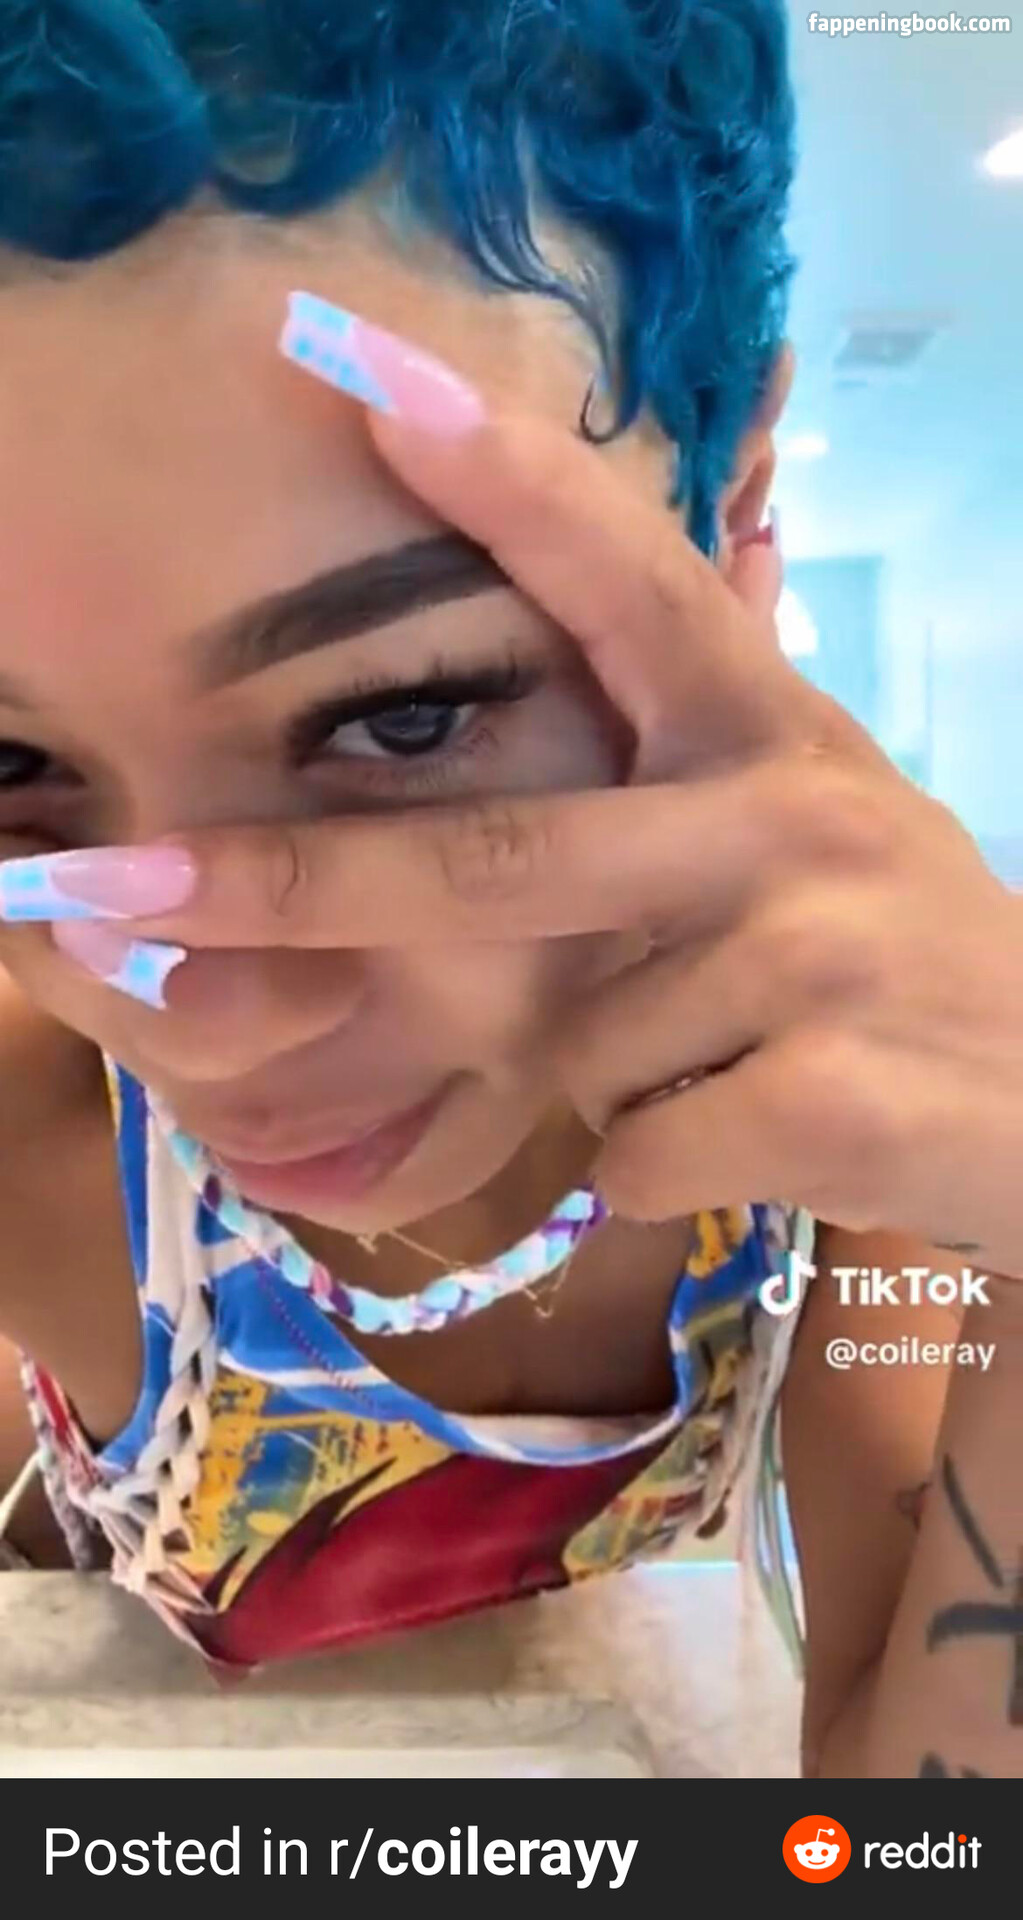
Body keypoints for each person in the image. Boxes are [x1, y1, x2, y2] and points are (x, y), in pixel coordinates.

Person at [0, 0, 1020, 1780]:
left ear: (734, 511)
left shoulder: (822, 1105)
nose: (207, 1018)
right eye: (11, 770)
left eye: (405, 715)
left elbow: (912, 1830)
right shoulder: (36, 1103)